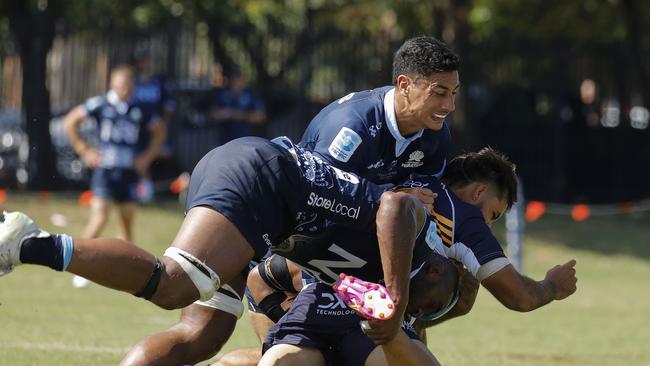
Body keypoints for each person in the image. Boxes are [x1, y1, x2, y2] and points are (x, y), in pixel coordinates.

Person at [0, 136, 430, 365]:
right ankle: (31, 243)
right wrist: (396, 300)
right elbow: (394, 207)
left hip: (261, 203)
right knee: (172, 284)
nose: (424, 314)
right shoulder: (411, 240)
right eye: (434, 305)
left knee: (199, 336)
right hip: (262, 184)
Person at [217, 147, 579, 366]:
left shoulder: (393, 174)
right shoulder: (461, 217)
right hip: (352, 303)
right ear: (479, 191)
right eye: (493, 214)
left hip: (308, 294)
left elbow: (265, 277)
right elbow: (518, 295)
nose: (489, 224)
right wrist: (552, 286)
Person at [63, 65, 166, 286]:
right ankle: (80, 266)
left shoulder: (139, 108)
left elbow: (159, 131)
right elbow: (70, 121)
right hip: (105, 170)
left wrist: (146, 158)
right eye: (120, 86)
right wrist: (83, 149)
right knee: (100, 216)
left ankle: (128, 272)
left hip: (127, 172)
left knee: (126, 223)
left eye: (128, 86)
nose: (124, 90)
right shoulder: (101, 104)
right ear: (112, 85)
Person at [131, 48, 179, 197]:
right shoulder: (132, 80)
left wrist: (162, 125)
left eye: (147, 59)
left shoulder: (158, 81)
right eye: (141, 60)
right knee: (137, 156)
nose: (145, 63)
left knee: (151, 155)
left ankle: (145, 191)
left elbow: (168, 106)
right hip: (135, 127)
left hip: (153, 127)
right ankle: (142, 190)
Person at [209, 66, 266, 145]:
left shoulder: (250, 95)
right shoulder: (223, 95)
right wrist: (225, 114)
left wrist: (237, 114)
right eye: (234, 79)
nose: (237, 82)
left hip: (245, 141)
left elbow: (260, 117)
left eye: (239, 78)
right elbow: (213, 114)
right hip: (225, 142)